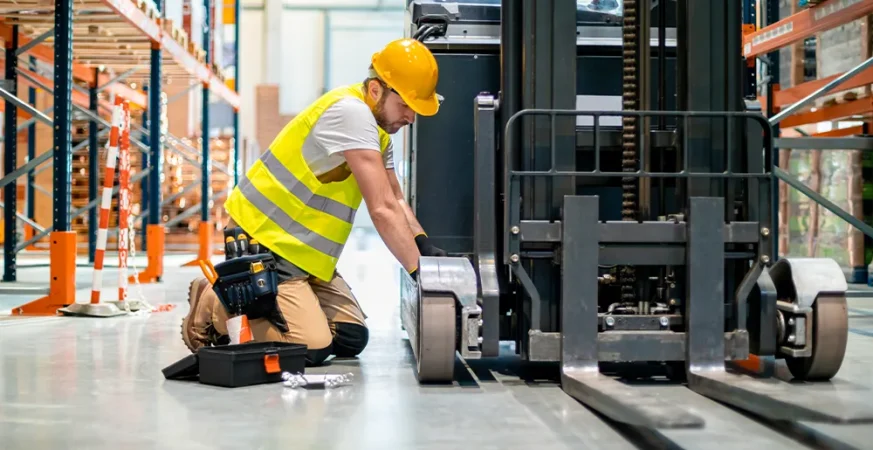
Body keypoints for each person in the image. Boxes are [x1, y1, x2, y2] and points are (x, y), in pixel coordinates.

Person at [180, 38, 447, 365]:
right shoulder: (352, 114)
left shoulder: (378, 134)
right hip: (267, 241)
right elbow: (382, 209)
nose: (411, 117)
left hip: (306, 256)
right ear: (377, 89)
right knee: (312, 346)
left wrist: (423, 246)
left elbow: (396, 199)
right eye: (405, 105)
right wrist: (419, 272)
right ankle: (213, 304)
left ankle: (274, 305)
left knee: (350, 336)